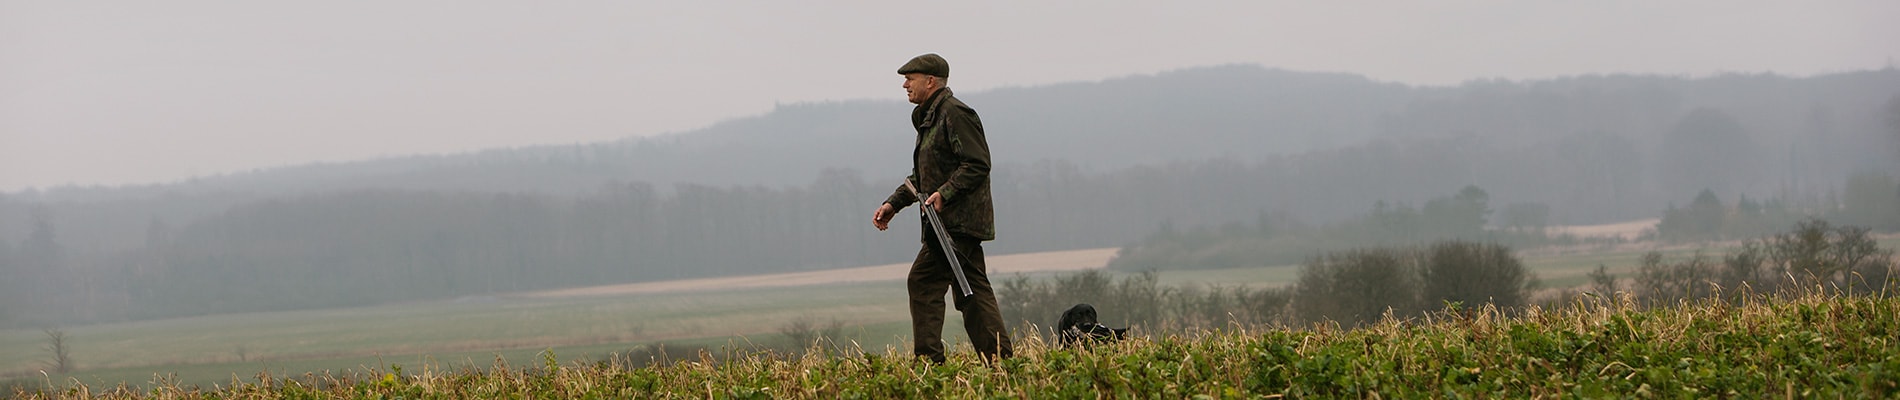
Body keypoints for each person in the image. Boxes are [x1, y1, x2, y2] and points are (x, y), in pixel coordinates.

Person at [871, 53, 1013, 363]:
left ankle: (929, 362)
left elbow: (977, 164)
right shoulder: (928, 117)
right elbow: (923, 176)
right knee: (972, 290)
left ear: (931, 81)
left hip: (956, 220)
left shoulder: (955, 113)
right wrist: (894, 203)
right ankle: (1001, 361)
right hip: (946, 220)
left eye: (911, 79)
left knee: (923, 282)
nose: (905, 85)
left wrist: (945, 194)